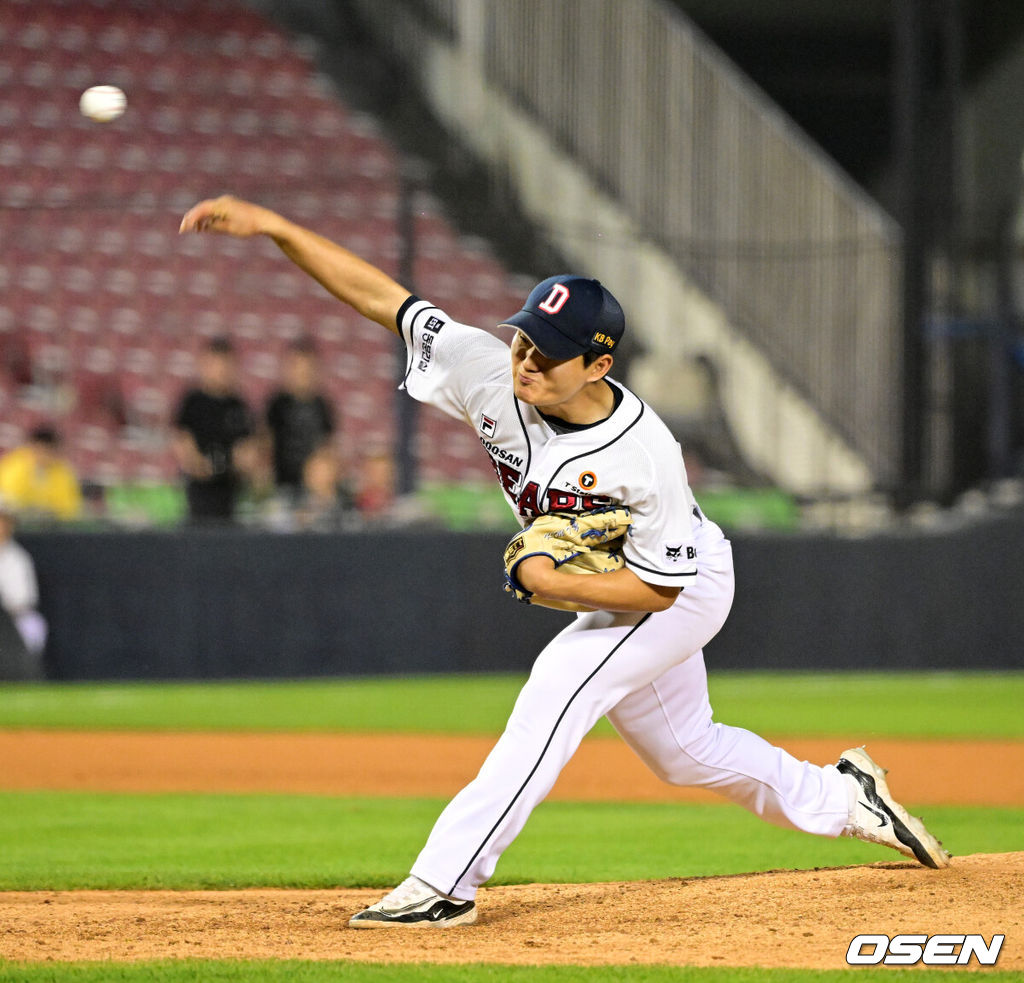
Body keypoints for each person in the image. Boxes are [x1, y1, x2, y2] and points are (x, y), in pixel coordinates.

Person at [180, 195, 950, 928]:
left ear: (597, 362)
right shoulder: (488, 369)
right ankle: (846, 798)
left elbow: (656, 587)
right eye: (522, 339)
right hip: (610, 586)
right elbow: (385, 299)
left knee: (556, 686)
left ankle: (445, 882)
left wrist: (548, 583)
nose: (523, 361)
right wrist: (277, 228)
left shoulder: (645, 453)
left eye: (546, 355)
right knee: (686, 751)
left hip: (677, 586)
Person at [171, 336, 255, 524]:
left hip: (231, 495)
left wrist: (234, 465)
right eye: (216, 365)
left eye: (226, 365)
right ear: (204, 365)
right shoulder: (192, 402)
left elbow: (246, 453)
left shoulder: (239, 405)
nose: (221, 371)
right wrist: (201, 465)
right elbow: (184, 446)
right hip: (198, 494)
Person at [265, 337, 337, 503]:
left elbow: (327, 446)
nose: (303, 373)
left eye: (308, 367)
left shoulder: (322, 406)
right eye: (298, 367)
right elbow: (265, 444)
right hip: (282, 487)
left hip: (314, 491)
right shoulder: (277, 404)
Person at [0, 498, 47, 679]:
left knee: (33, 626)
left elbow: (24, 599)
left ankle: (23, 675)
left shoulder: (18, 558)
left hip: (12, 619)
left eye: (3, 522)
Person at [0, 425, 82, 522]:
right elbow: (9, 501)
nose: (44, 456)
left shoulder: (62, 472)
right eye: (41, 450)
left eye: (48, 451)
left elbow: (69, 508)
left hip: (51, 528)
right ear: (32, 446)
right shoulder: (14, 465)